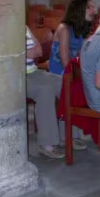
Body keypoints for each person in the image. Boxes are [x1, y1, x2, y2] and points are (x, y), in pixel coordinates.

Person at [27, 27, 68, 158]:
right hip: (17, 77)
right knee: (45, 90)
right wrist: (28, 52)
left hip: (33, 71)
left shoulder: (25, 28)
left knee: (65, 84)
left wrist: (26, 52)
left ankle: (68, 136)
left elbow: (38, 51)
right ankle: (47, 144)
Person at [49, 0, 94, 75]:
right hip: (59, 73)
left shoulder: (80, 29)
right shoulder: (64, 29)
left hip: (72, 69)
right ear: (78, 10)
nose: (93, 10)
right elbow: (65, 63)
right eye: (88, 7)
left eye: (92, 7)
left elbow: (81, 56)